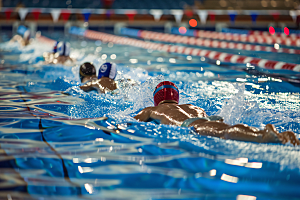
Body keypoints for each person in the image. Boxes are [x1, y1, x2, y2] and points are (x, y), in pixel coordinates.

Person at [134, 81, 300, 146]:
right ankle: (268, 133)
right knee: (226, 127)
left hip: (192, 126)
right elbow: (205, 116)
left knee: (226, 132)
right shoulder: (191, 106)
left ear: (156, 99)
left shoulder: (152, 110)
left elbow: (133, 123)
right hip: (204, 119)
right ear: (176, 97)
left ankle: (264, 135)